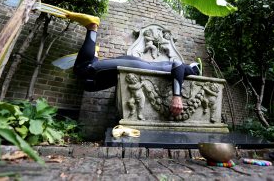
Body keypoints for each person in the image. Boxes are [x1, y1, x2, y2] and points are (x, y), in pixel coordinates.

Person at [61, 12, 201, 117]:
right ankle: (92, 26)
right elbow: (178, 64)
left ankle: (94, 55)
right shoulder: (189, 69)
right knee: (83, 69)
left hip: (136, 67)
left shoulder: (186, 71)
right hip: (137, 67)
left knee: (89, 84)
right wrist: (177, 96)